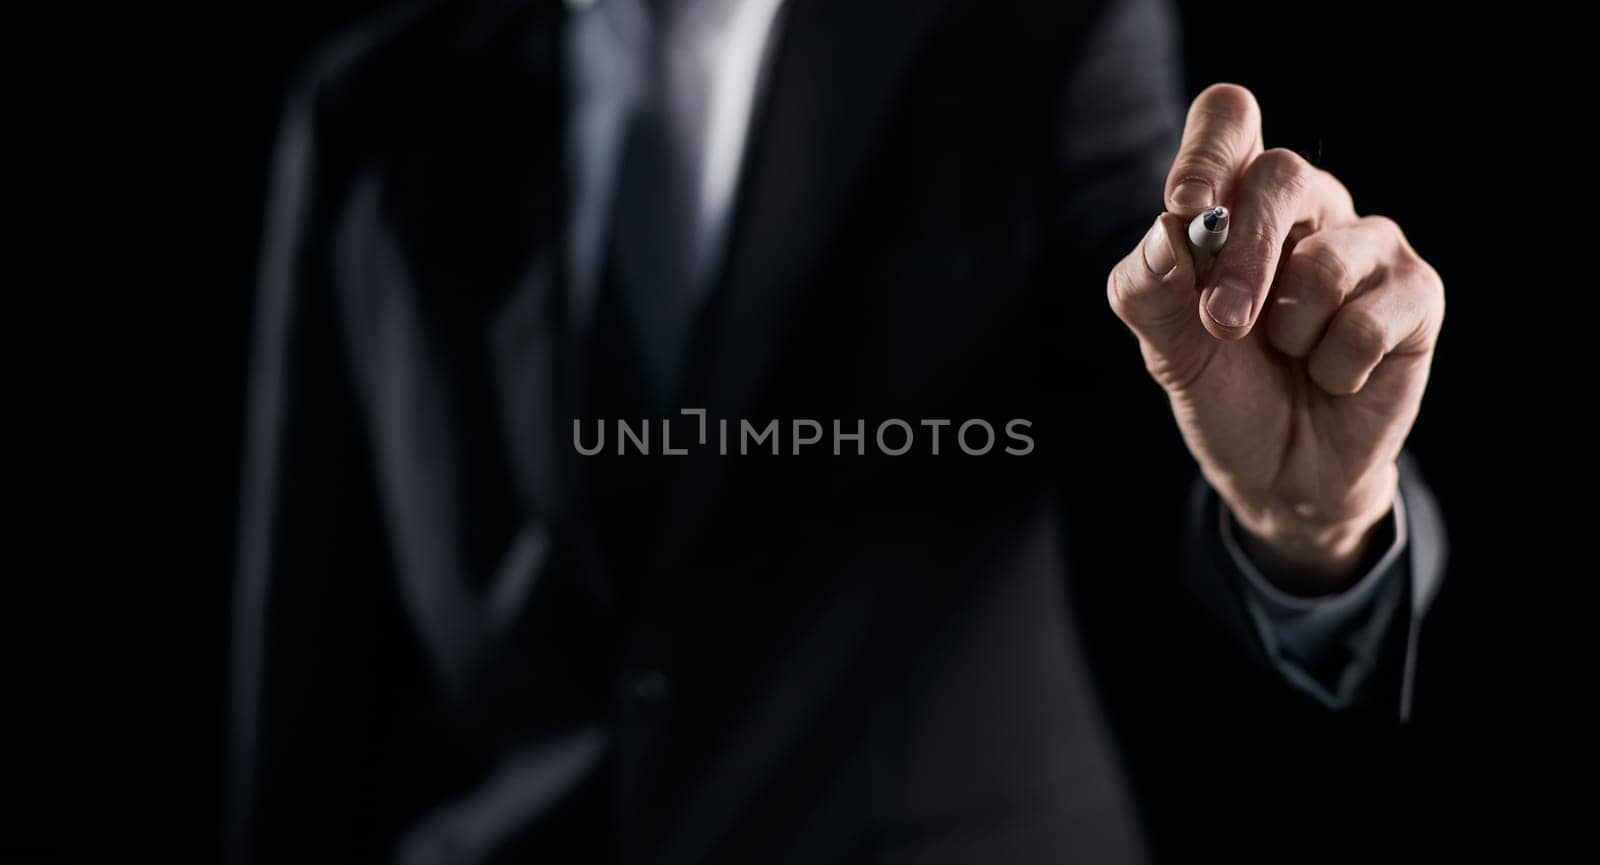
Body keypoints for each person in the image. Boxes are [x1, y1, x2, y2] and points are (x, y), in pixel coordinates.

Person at [229, 0, 1446, 861]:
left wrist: (1315, 513)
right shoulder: (373, 110)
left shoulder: (1031, 32)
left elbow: (1162, 374)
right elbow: (308, 677)